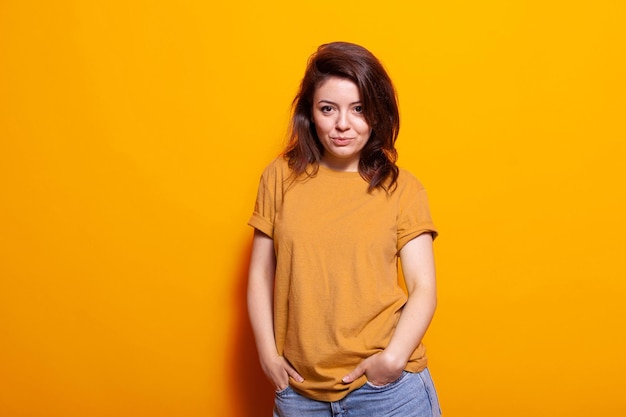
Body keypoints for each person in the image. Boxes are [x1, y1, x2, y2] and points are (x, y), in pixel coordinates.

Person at [247, 41, 442, 417]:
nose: (342, 124)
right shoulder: (279, 177)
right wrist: (268, 356)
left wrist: (392, 360)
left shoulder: (403, 189)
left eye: (358, 109)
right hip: (301, 395)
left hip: (388, 393)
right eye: (328, 109)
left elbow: (424, 287)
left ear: (377, 114)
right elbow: (259, 274)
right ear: (310, 113)